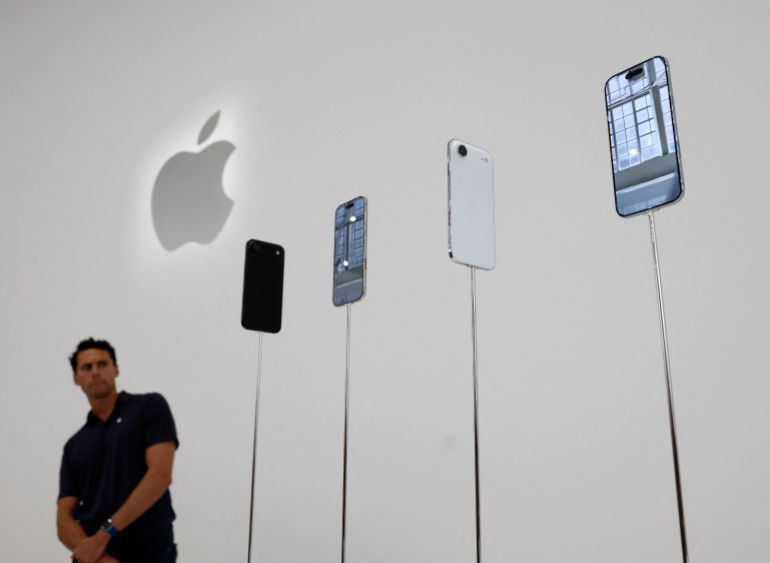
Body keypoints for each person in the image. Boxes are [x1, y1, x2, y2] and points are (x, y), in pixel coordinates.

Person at [57, 338, 179, 563]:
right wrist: (100, 556)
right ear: (76, 378)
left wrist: (105, 533)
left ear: (116, 368)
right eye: (87, 367)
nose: (95, 372)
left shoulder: (149, 407)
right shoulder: (74, 445)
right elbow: (63, 516)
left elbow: (160, 476)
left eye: (102, 364)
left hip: (149, 551)